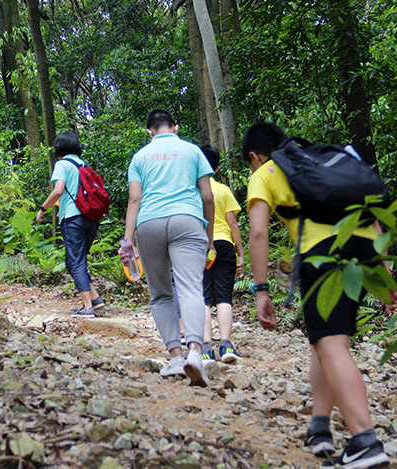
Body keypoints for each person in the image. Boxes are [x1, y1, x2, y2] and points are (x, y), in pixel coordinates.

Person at [242, 122, 397, 469]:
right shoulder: (322, 162)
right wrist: (385, 272)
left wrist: (261, 289)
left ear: (254, 156)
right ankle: (320, 426)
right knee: (324, 340)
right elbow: (372, 218)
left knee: (331, 344)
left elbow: (258, 233)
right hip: (365, 250)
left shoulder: (265, 173)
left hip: (323, 254)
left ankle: (365, 440)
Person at [119, 109, 215, 387]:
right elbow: (208, 196)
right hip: (187, 220)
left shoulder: (139, 157)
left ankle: (175, 357)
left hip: (149, 223)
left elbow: (134, 200)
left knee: (161, 294)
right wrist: (209, 237)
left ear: (149, 132)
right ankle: (195, 352)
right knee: (191, 288)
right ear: (175, 127)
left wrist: (128, 239)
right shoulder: (193, 151)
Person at [36, 132, 104, 318]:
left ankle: (87, 307)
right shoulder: (84, 164)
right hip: (91, 217)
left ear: (59, 149)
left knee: (76, 261)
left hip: (73, 218)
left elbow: (58, 191)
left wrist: (42, 209)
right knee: (74, 260)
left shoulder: (62, 164)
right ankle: (95, 299)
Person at [199, 144, 245, 364]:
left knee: (204, 298)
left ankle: (206, 348)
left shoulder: (193, 190)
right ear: (217, 169)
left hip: (200, 244)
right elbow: (232, 224)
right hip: (224, 244)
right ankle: (226, 345)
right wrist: (241, 253)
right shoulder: (224, 190)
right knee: (224, 296)